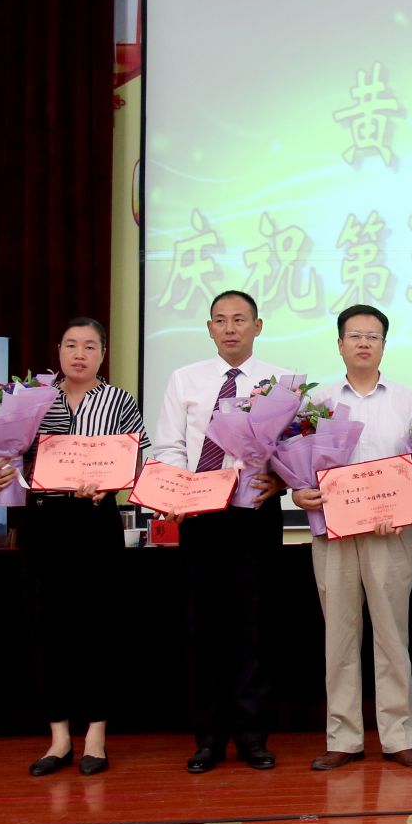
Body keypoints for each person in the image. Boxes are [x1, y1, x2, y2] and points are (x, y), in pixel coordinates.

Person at [0, 318, 149, 777]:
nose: (79, 354)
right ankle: (58, 738)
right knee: (47, 627)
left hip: (94, 519)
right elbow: (6, 459)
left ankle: (96, 736)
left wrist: (110, 483)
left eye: (90, 346)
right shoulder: (33, 399)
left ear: (103, 354)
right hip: (43, 521)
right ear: (58, 350)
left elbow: (136, 460)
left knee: (96, 627)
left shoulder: (119, 400)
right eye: (71, 345)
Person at [155, 289, 291, 773]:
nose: (230, 328)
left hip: (256, 513)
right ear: (209, 328)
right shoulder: (184, 378)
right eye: (220, 320)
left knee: (255, 628)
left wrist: (281, 480)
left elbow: (292, 451)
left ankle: (253, 738)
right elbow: (170, 446)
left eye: (239, 319)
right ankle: (208, 739)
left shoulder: (280, 383)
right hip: (202, 516)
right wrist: (180, 492)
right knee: (204, 628)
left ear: (258, 326)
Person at [292, 305, 412, 771]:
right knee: (339, 635)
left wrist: (404, 503)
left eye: (373, 336)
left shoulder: (409, 401)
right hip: (334, 533)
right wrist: (299, 492)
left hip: (389, 533)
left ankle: (399, 736)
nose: (364, 343)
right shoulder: (318, 402)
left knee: (393, 635)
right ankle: (343, 737)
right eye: (355, 335)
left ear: (384, 345)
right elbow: (299, 465)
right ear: (340, 344)